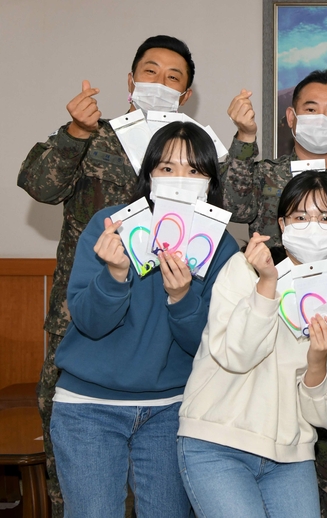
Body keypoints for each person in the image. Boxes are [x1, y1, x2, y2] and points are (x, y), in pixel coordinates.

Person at [16, 35, 197, 515]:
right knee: (77, 486)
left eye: (173, 77)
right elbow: (39, 186)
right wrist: (74, 132)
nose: (160, 82)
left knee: (164, 493)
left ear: (186, 94)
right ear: (131, 80)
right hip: (84, 322)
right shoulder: (94, 136)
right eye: (150, 71)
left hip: (163, 336)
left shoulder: (195, 156)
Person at [49, 121, 238, 517]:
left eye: (194, 170)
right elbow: (88, 322)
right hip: (89, 406)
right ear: (149, 173)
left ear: (210, 181)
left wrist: (182, 297)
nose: (180, 180)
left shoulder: (219, 244)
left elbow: (208, 345)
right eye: (167, 168)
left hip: (171, 409)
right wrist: (114, 276)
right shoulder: (112, 225)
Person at [221, 68, 327, 515]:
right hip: (265, 346)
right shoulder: (265, 172)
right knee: (267, 469)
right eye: (311, 109)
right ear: (291, 117)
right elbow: (230, 205)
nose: (321, 119)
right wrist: (245, 138)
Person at [177, 170, 327, 517]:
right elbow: (236, 354)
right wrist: (267, 284)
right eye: (301, 216)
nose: (313, 226)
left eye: (326, 217)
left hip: (291, 456)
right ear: (283, 224)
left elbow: (324, 415)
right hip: (217, 444)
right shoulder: (244, 271)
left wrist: (317, 360)